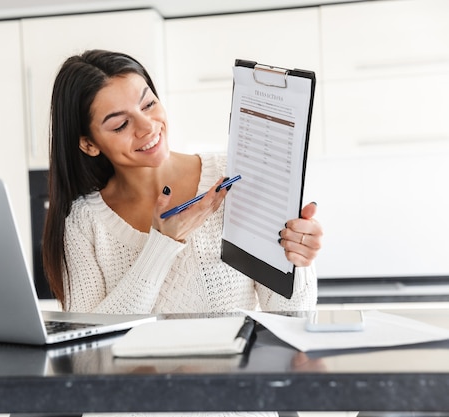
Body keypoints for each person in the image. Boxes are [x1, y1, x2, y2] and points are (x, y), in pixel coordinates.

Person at [42, 48, 322, 417]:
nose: (146, 127)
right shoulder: (83, 222)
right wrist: (162, 245)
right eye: (119, 124)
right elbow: (89, 358)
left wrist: (296, 259)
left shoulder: (233, 178)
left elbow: (290, 324)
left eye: (148, 104)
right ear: (89, 143)